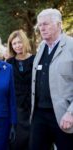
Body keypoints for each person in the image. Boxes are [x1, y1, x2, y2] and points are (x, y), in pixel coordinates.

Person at [30, 8, 73, 150]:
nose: (42, 28)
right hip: (40, 114)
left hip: (63, 115)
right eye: (40, 25)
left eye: (46, 24)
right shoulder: (42, 47)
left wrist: (71, 113)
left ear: (59, 25)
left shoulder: (71, 46)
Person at [7, 29, 34, 150]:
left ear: (25, 42)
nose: (17, 46)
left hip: (33, 105)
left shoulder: (36, 59)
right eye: (14, 43)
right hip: (16, 106)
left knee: (33, 139)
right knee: (17, 140)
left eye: (19, 42)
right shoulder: (8, 63)